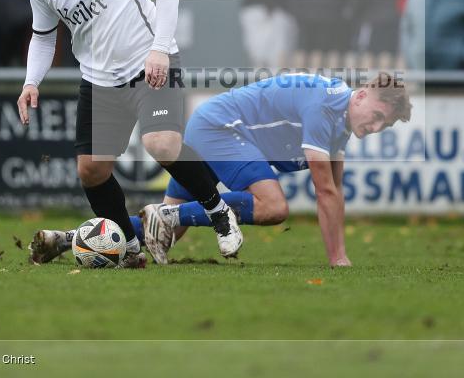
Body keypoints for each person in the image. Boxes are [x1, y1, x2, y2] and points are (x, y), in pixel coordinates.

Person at [19, 0, 242, 268]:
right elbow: (43, 37)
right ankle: (128, 247)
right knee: (91, 170)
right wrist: (30, 82)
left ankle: (219, 212)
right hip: (99, 79)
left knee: (161, 144)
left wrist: (159, 48)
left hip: (151, 62)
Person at [136, 72, 411, 266]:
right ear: (361, 96)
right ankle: (167, 214)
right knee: (273, 206)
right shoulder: (326, 108)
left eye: (384, 125)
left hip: (212, 123)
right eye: (376, 117)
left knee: (161, 235)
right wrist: (338, 260)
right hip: (220, 128)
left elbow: (334, 192)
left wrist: (338, 257)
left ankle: (104, 234)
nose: (375, 128)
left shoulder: (341, 116)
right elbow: (325, 191)